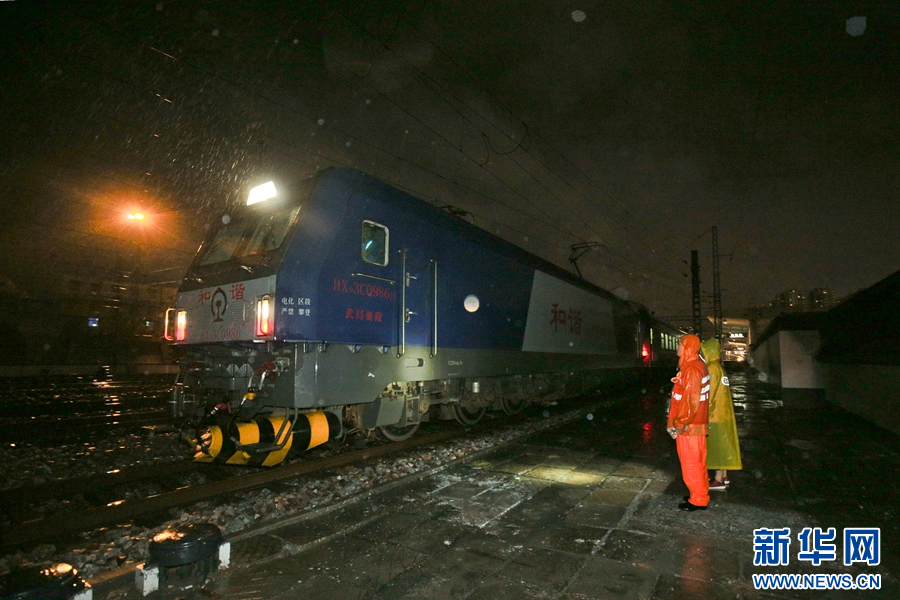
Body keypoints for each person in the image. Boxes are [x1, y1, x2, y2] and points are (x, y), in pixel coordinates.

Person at [667, 334, 711, 511]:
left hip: (689, 426)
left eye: (680, 344)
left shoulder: (692, 368)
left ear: (688, 347)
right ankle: (699, 493)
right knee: (698, 462)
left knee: (691, 463)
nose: (678, 347)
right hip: (696, 424)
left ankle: (698, 500)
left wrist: (679, 423)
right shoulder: (696, 365)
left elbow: (690, 401)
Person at [701, 338, 742, 491]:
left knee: (717, 447)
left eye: (703, 351)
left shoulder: (711, 368)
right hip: (723, 413)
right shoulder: (719, 367)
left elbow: (710, 394)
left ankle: (718, 480)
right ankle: (724, 476)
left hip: (716, 415)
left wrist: (705, 412)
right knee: (724, 446)